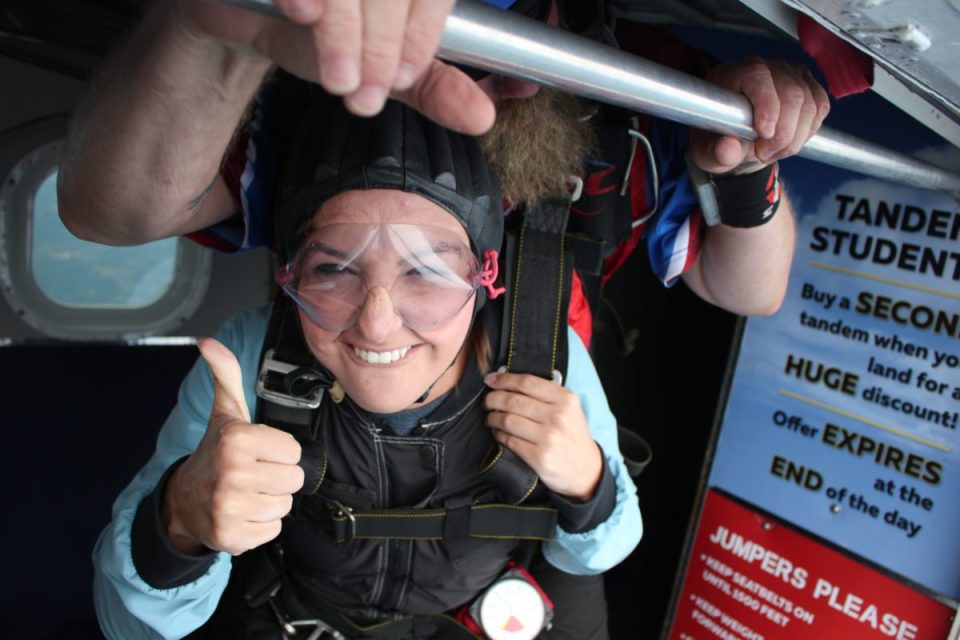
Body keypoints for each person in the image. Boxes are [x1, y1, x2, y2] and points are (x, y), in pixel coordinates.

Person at [93, 96, 642, 640]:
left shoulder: (545, 355)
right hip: (302, 613)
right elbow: (126, 628)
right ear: (291, 278)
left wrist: (588, 483)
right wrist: (180, 523)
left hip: (484, 608)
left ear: (484, 279)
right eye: (334, 269)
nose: (377, 324)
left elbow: (598, 553)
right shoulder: (250, 359)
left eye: (425, 273)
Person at [58, 0, 831, 328]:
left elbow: (750, 290)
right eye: (473, 49)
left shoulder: (643, 97)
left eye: (535, 30)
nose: (518, 82)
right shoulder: (319, 87)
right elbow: (113, 210)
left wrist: (744, 157)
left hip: (524, 470)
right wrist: (213, 32)